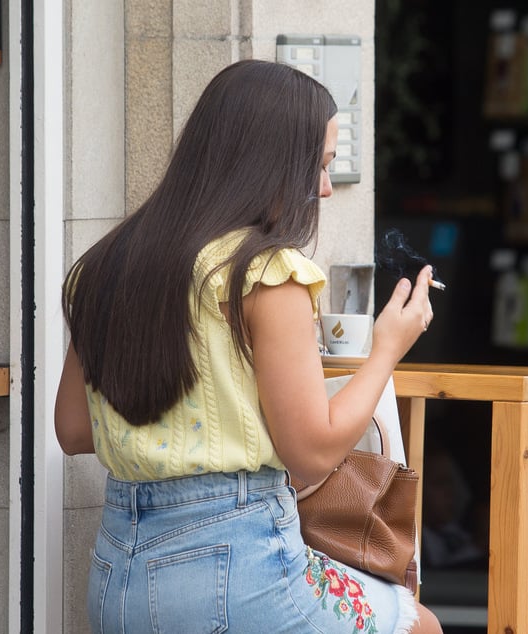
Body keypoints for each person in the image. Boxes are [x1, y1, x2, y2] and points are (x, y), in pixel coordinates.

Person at [54, 59, 442, 634]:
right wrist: (387, 347)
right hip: (236, 571)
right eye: (322, 165)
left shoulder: (107, 265)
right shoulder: (265, 272)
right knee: (418, 624)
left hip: (118, 577)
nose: (327, 188)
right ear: (273, 163)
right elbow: (311, 452)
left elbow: (73, 430)